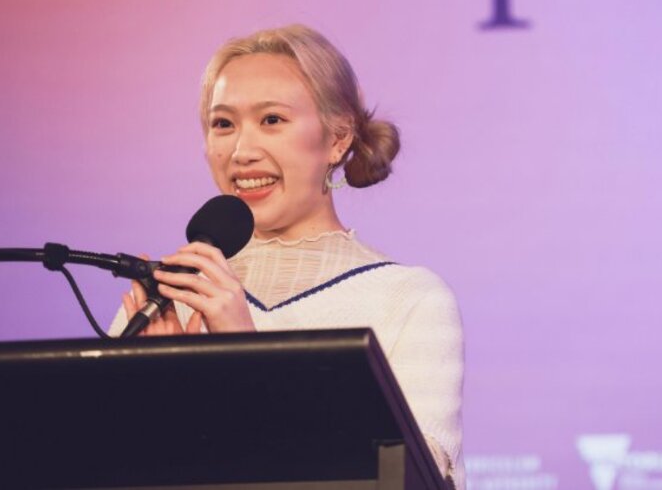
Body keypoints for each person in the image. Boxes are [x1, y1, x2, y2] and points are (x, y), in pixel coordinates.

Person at [108, 25, 465, 488]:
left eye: (272, 120)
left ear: (338, 139)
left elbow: (405, 480)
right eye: (223, 124)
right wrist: (158, 401)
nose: (242, 152)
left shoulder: (410, 300)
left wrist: (244, 358)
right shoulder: (169, 296)